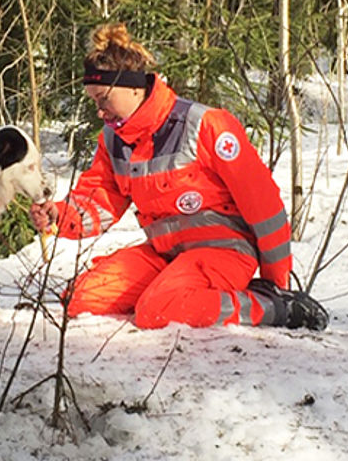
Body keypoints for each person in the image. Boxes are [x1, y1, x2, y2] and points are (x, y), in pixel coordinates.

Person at [30, 23, 328, 330]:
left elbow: (265, 210)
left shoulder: (206, 125)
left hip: (224, 254)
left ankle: (265, 308)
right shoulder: (113, 140)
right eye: (94, 101)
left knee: (156, 311)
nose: (100, 111)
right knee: (81, 298)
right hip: (166, 255)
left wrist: (277, 286)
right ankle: (180, 293)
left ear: (134, 87)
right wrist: (59, 215)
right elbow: (101, 200)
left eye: (103, 98)